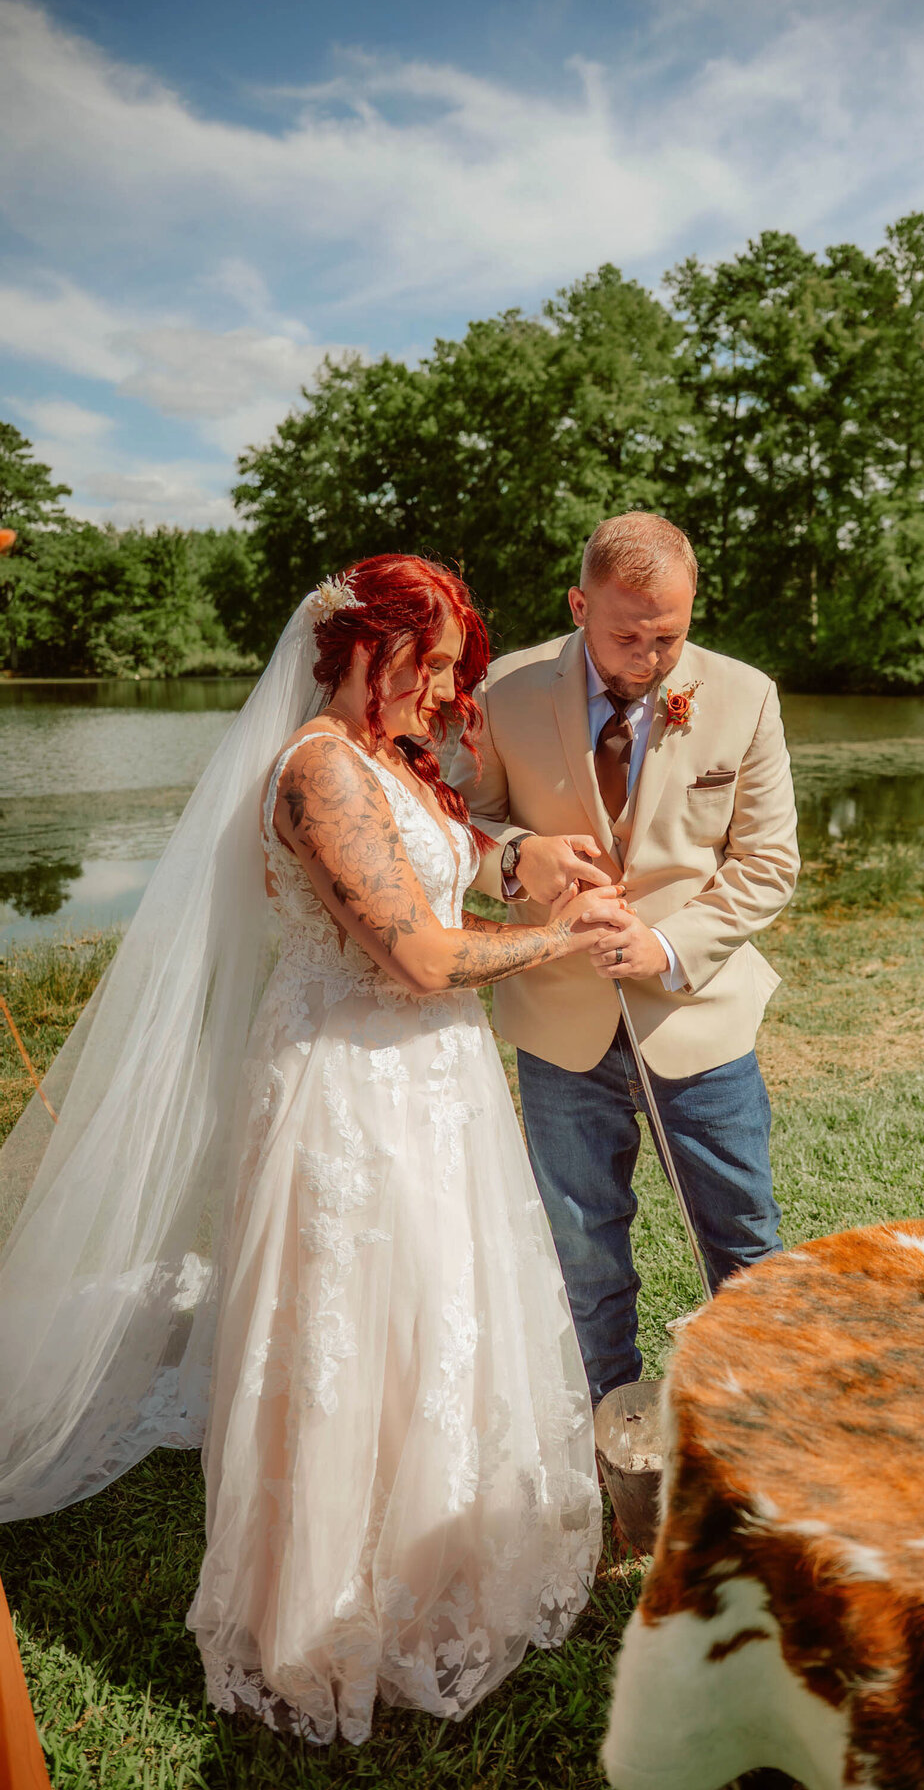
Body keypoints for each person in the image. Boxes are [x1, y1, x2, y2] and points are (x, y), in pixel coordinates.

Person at [0, 556, 621, 1745]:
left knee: (437, 1315)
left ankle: (445, 1553)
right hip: (348, 1086)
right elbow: (424, 959)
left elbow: (438, 846)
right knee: (348, 1330)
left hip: (431, 1082)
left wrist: (511, 852)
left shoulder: (385, 760)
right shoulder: (315, 773)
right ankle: (327, 1609)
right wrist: (555, 935)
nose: (441, 689)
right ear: (356, 649)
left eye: (449, 667)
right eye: (425, 663)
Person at [449, 512, 800, 1403]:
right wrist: (519, 859)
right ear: (579, 604)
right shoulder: (504, 690)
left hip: (699, 1016)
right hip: (559, 1023)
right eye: (627, 635)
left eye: (670, 636)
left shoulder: (746, 695)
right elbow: (465, 830)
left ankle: (761, 1422)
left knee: (743, 1232)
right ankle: (607, 1439)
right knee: (582, 1247)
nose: (651, 657)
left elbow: (769, 864)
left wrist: (668, 946)